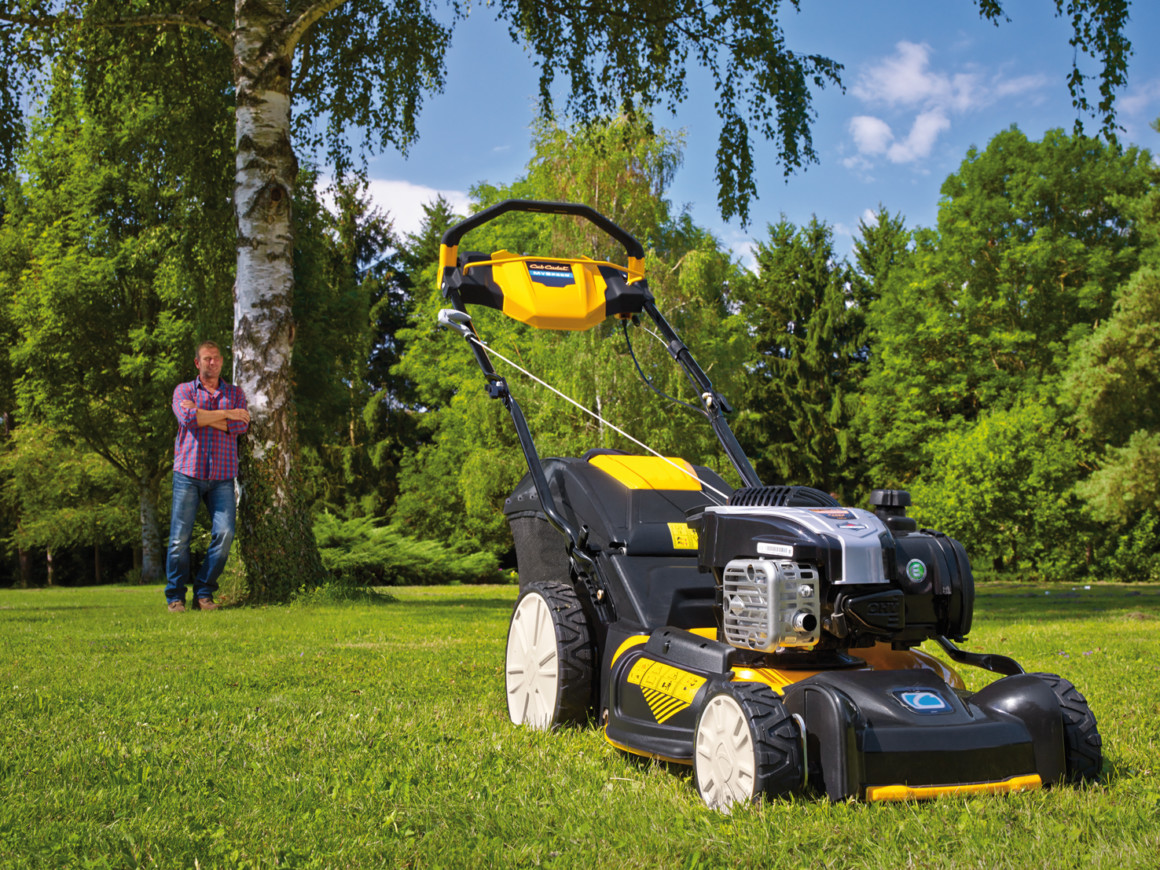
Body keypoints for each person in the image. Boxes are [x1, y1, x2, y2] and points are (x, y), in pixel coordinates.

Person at [165, 340, 250, 612]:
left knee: (225, 533)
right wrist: (225, 414)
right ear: (197, 363)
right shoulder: (184, 390)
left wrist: (204, 415)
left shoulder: (235, 392)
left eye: (215, 358)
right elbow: (188, 419)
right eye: (206, 359)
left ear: (222, 361)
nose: (211, 363)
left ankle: (204, 592)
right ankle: (175, 597)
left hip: (223, 476)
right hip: (187, 473)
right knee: (180, 539)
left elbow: (240, 425)